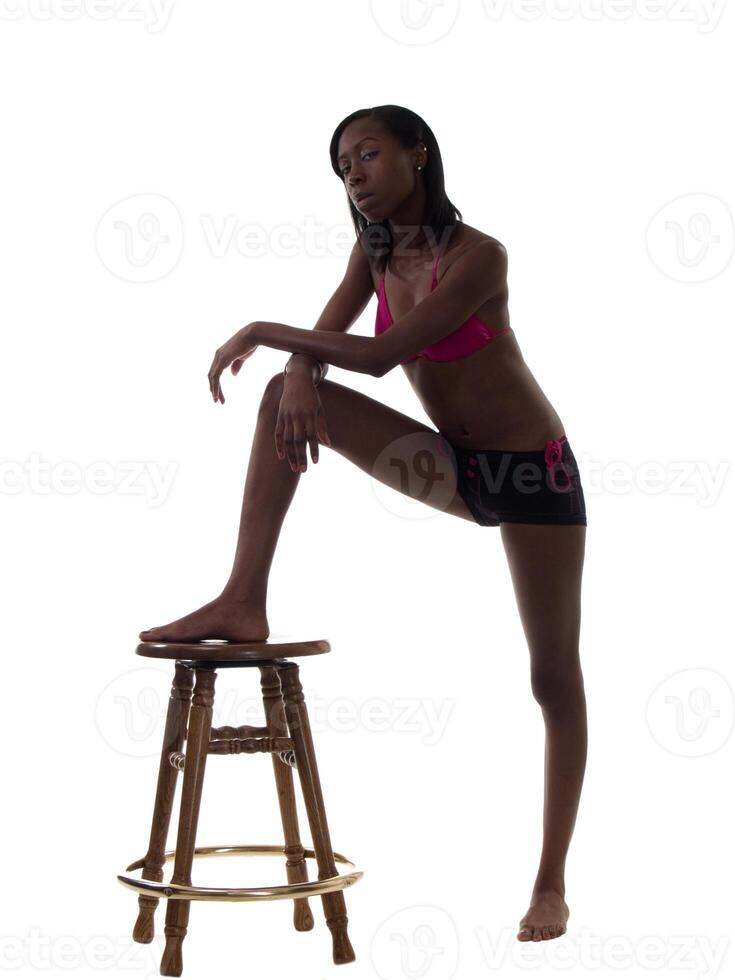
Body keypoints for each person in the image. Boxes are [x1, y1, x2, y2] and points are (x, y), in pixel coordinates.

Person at [140, 104, 588, 944]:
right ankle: (242, 599)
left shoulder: (479, 255)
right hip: (454, 468)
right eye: (341, 164)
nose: (352, 174)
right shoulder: (374, 253)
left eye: (367, 154)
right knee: (281, 394)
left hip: (533, 476)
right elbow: (332, 330)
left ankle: (551, 884)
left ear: (418, 154)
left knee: (551, 678)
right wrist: (300, 363)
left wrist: (265, 333)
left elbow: (381, 355)